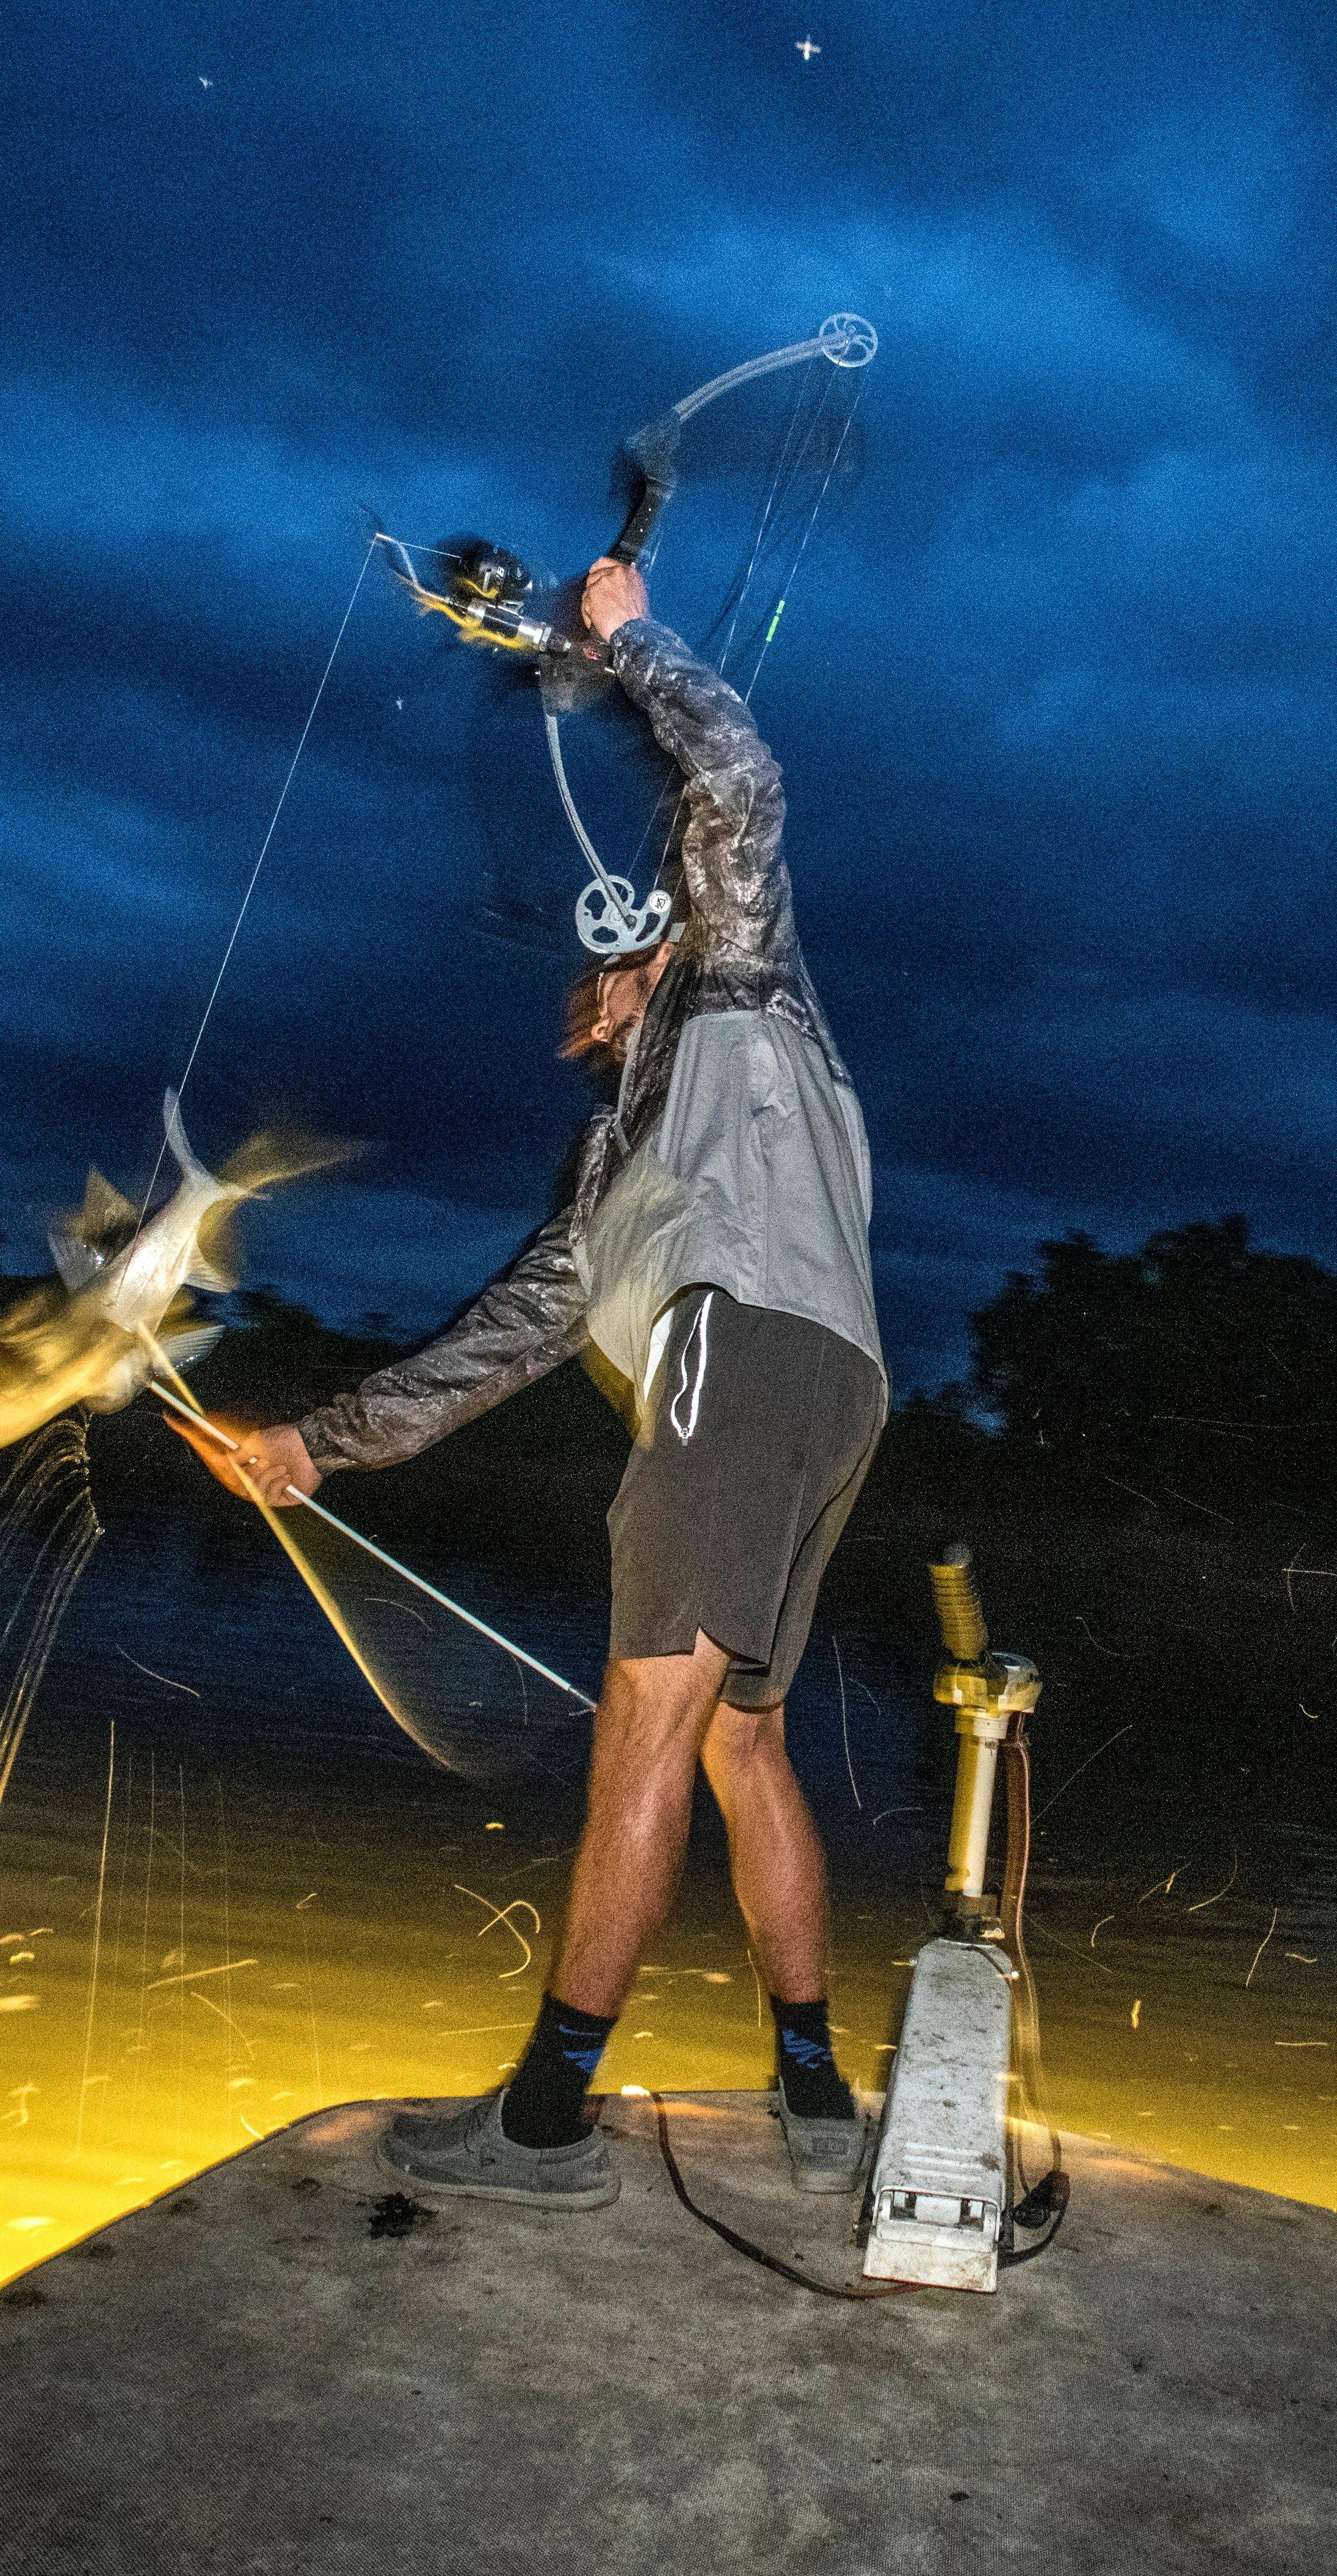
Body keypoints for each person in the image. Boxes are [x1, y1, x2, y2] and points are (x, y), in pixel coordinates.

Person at [211, 556, 883, 2211]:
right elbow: (498, 1339)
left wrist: (620, 634)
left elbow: (734, 778)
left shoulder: (738, 978)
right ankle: (814, 2090)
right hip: (823, 1387)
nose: (571, 1015)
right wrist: (319, 1443)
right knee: (743, 1741)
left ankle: (544, 2122)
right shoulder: (605, 1182)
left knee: (641, 1734)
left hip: (746, 1353)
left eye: (591, 980)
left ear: (644, 945)